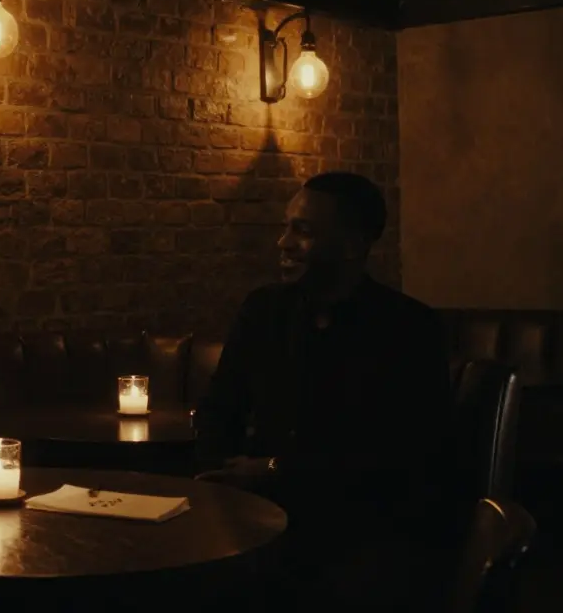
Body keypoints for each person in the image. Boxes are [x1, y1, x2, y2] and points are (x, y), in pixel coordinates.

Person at [194, 172, 460, 612]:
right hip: (259, 511)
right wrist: (214, 481)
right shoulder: (263, 311)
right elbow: (219, 409)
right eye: (286, 227)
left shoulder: (408, 329)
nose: (283, 243)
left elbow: (407, 456)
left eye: (303, 231)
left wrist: (279, 469)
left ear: (354, 245)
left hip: (365, 526)